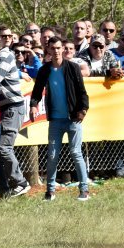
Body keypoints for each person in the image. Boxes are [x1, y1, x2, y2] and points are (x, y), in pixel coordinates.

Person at [29, 36, 90, 201]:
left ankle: (84, 189)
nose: (55, 51)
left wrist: (83, 110)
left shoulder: (73, 68)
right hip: (55, 119)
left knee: (76, 152)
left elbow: (82, 92)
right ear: (48, 49)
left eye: (58, 48)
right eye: (52, 48)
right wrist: (33, 106)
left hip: (72, 118)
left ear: (63, 49)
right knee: (52, 155)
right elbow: (36, 92)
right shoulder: (44, 70)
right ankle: (50, 191)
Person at [0, 34, 30, 196]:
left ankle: (21, 182)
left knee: (3, 148)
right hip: (4, 108)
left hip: (13, 107)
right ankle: (8, 183)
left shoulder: (4, 55)